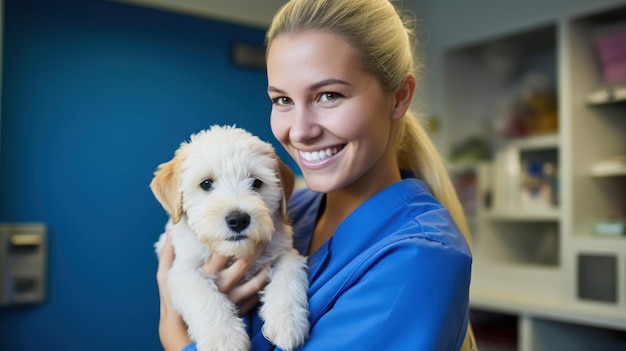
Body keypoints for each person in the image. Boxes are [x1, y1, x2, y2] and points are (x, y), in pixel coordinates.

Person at [156, 0, 476, 350]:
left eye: (329, 95)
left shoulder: (419, 259)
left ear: (399, 97)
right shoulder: (295, 207)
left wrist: (174, 336)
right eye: (282, 100)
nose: (300, 131)